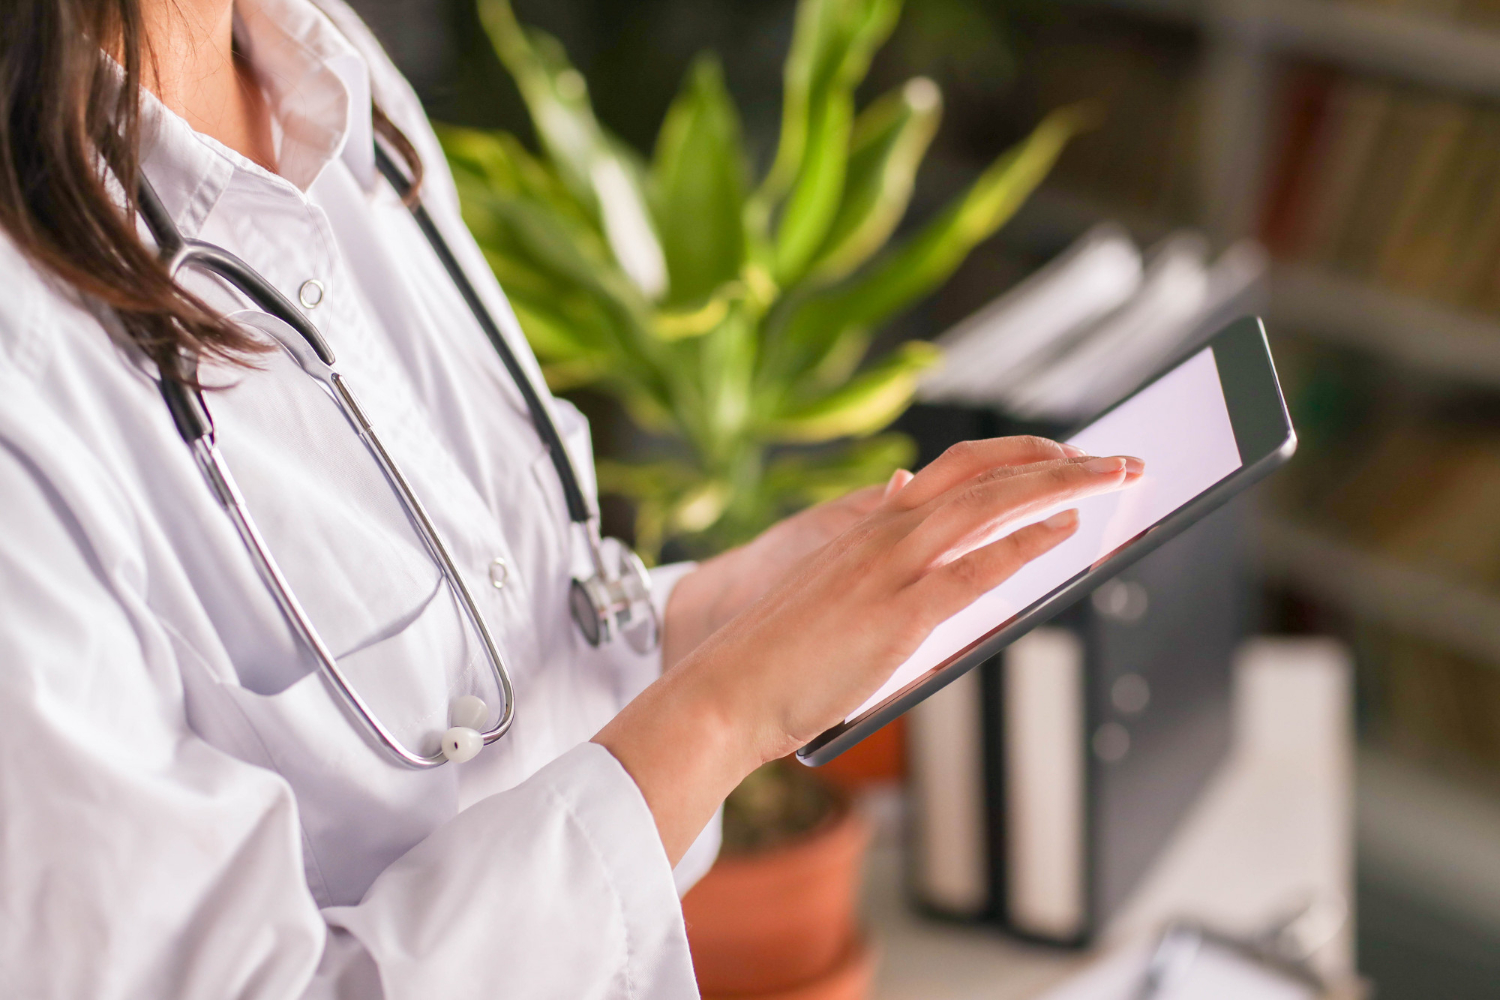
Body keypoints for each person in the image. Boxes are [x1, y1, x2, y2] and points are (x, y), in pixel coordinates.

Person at [0, 0, 1143, 996]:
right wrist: (721, 712)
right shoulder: (24, 398)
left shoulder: (325, 72)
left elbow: (486, 670)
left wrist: (715, 620)